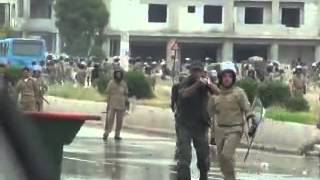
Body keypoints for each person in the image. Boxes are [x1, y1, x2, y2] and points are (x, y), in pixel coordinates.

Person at [209, 62, 254, 180]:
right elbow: (211, 115)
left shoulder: (239, 93)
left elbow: (247, 109)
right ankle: (228, 178)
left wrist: (252, 122)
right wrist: (212, 134)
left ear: (233, 78)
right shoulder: (215, 95)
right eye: (224, 76)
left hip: (235, 129)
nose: (227, 79)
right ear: (220, 78)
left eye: (230, 76)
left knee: (226, 155)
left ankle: (231, 178)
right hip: (219, 130)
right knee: (221, 159)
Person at [175, 61, 219, 180]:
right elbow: (184, 94)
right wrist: (197, 85)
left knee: (203, 157)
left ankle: (204, 176)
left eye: (199, 71)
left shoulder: (206, 82)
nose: (196, 73)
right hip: (184, 123)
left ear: (202, 72)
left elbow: (218, 93)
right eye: (194, 71)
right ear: (191, 72)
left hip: (201, 124)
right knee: (184, 156)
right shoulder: (185, 82)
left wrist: (208, 83)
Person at [103, 68, 128, 141]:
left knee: (119, 120)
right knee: (110, 119)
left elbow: (126, 93)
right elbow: (108, 93)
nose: (118, 75)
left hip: (121, 103)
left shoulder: (123, 83)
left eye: (119, 74)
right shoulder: (111, 83)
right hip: (112, 103)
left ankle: (117, 134)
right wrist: (108, 102)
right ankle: (106, 133)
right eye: (117, 74)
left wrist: (126, 102)